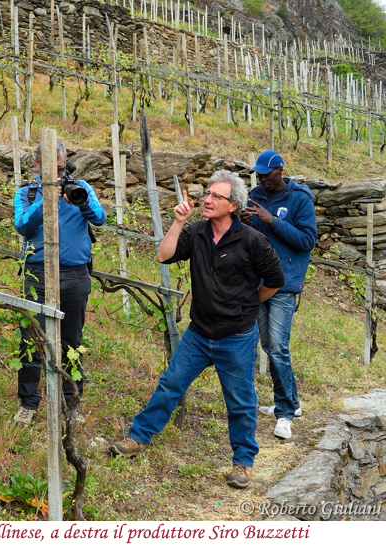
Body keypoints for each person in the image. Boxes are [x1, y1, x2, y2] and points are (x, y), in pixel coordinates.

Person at [108, 170, 284, 490]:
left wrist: (247, 305)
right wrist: (177, 222)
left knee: (241, 401)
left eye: (216, 196)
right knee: (170, 384)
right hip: (199, 333)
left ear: (233, 205)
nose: (207, 199)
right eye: (208, 193)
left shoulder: (253, 241)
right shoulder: (197, 232)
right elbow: (164, 255)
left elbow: (274, 281)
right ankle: (138, 438)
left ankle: (243, 462)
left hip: (237, 337)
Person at [12, 141, 107, 426]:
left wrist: (80, 200)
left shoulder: (81, 188)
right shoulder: (27, 193)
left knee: (71, 341)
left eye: (62, 167)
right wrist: (48, 199)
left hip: (75, 275)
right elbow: (22, 225)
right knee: (31, 339)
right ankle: (28, 403)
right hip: (37, 275)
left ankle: (71, 402)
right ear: (39, 165)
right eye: (52, 168)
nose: (59, 172)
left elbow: (101, 219)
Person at [243, 150, 317, 440]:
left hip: (284, 284)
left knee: (278, 347)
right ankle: (289, 402)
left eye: (267, 174)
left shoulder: (299, 199)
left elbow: (307, 241)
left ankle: (285, 413)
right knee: (268, 345)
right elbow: (254, 236)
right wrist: (246, 222)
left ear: (280, 170)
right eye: (259, 174)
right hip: (258, 281)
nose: (262, 178)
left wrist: (272, 220)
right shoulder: (256, 194)